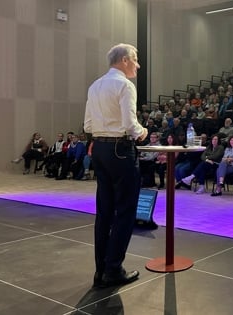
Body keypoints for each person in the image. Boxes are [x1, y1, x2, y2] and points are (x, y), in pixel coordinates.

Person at [83, 43, 147, 288]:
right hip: (120, 151)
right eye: (135, 60)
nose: (138, 65)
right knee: (126, 211)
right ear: (124, 60)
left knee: (105, 211)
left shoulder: (94, 86)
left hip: (99, 148)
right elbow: (131, 125)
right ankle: (113, 269)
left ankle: (101, 270)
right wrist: (143, 132)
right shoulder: (124, 85)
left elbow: (88, 125)